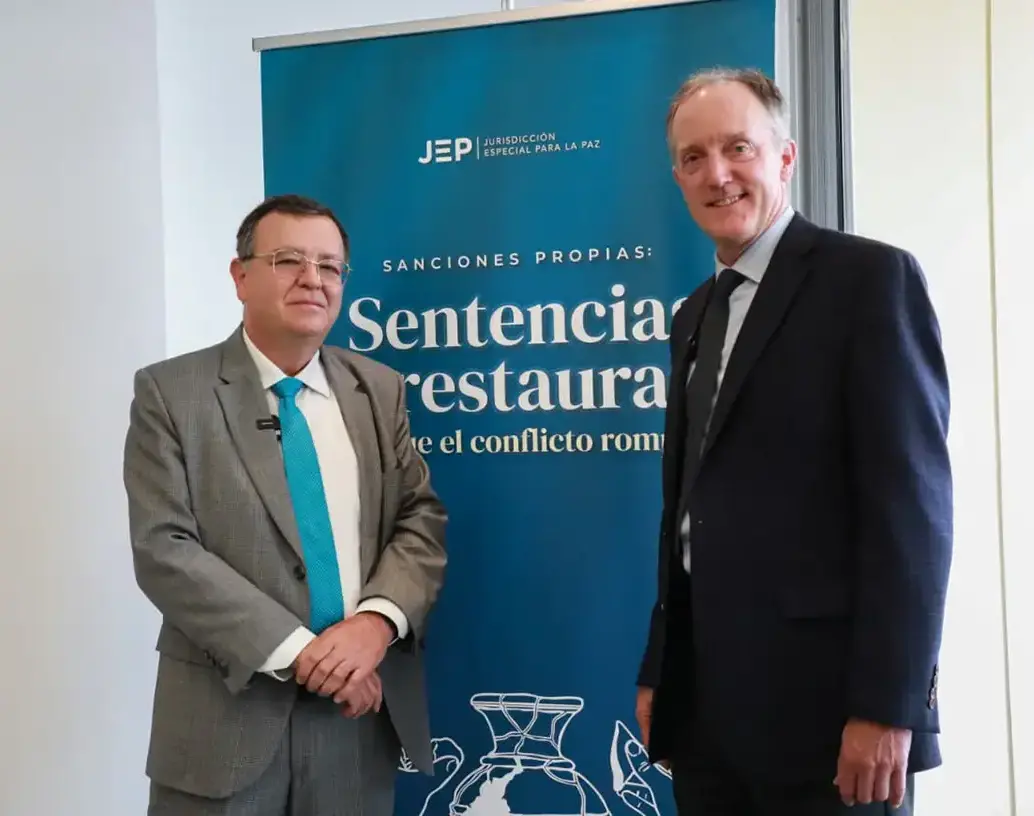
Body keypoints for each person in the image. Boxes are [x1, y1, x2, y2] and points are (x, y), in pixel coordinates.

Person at [635, 68, 952, 815]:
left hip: (832, 717)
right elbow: (688, 511)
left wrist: (889, 706)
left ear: (785, 155)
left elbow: (913, 516)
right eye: (692, 157)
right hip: (706, 712)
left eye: (737, 148)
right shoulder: (693, 315)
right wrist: (662, 669)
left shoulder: (868, 280)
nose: (716, 175)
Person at [123, 193, 447, 815]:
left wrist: (374, 627)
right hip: (225, 722)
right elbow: (164, 548)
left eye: (329, 266)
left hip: (355, 726)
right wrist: (309, 654)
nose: (313, 280)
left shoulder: (378, 390)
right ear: (240, 276)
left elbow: (419, 519)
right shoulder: (170, 393)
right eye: (288, 260)